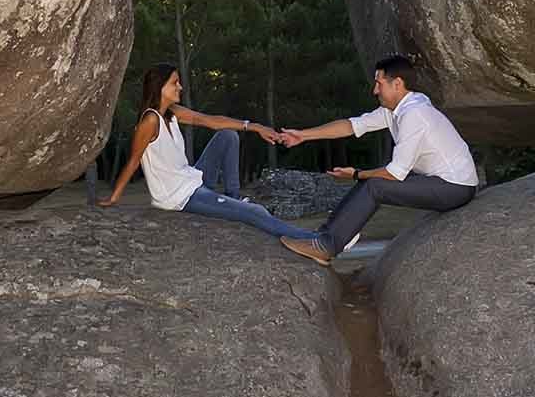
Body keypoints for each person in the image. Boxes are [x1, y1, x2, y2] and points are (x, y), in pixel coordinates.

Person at [276, 54, 479, 265]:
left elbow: (394, 174)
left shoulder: (414, 114)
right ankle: (325, 237)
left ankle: (328, 245)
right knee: (374, 179)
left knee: (375, 185)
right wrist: (303, 135)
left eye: (379, 84)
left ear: (397, 84)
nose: (374, 90)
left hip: (455, 188)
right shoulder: (395, 110)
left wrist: (355, 174)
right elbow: (351, 125)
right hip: (443, 182)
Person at [97, 63, 319, 240]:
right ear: (160, 87)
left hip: (192, 179)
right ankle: (312, 239)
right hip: (179, 197)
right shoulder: (150, 120)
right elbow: (134, 160)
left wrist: (254, 126)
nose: (180, 87)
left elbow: (210, 121)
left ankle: (234, 198)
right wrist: (113, 198)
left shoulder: (171, 112)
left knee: (228, 136)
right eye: (175, 82)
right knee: (257, 212)